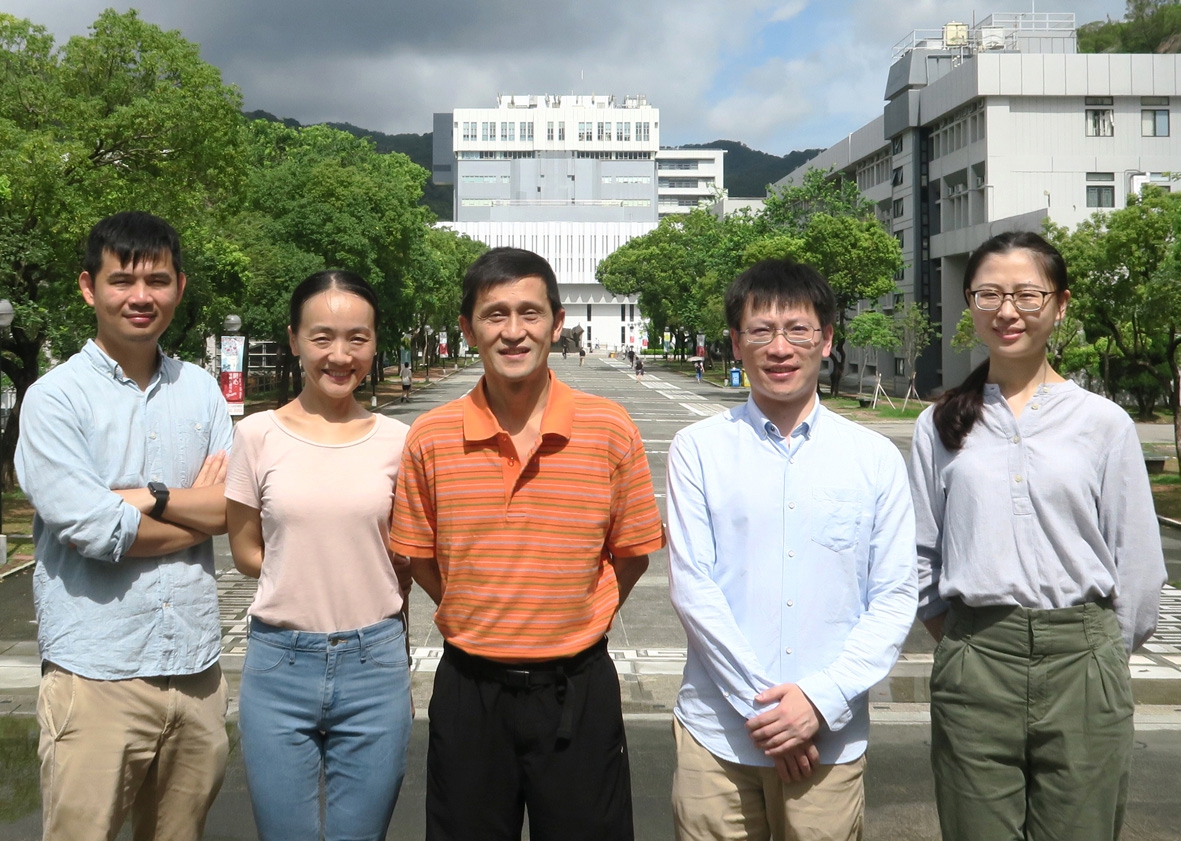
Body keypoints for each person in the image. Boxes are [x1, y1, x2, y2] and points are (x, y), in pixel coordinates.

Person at [391, 246, 666, 841]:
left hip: (578, 689)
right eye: (495, 315)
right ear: (467, 328)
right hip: (470, 690)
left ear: (557, 322)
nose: (513, 332)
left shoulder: (610, 427)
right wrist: (481, 607)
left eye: (530, 313)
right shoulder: (431, 436)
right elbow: (418, 555)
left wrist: (570, 613)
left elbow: (634, 552)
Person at [909, 231, 1166, 841]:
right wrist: (965, 640)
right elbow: (920, 554)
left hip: (1084, 657)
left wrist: (1101, 653)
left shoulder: (1103, 422)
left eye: (1027, 294)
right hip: (977, 658)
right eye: (989, 294)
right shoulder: (939, 423)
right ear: (969, 304)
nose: (1007, 311)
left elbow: (1136, 561)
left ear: (1061, 303)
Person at [667, 258, 917, 841]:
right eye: (760, 331)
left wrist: (818, 703)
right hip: (717, 739)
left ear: (827, 339)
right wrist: (769, 716)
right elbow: (692, 587)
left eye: (797, 330)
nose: (779, 348)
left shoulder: (874, 457)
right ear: (735, 342)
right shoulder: (697, 449)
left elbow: (894, 595)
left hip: (827, 742)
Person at [15, 211, 233, 841]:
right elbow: (95, 531)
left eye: (158, 280)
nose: (141, 296)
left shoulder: (202, 391)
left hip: (196, 675)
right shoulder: (55, 398)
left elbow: (235, 508)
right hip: (95, 676)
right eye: (123, 281)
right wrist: (194, 508)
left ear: (180, 288)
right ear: (89, 287)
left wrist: (146, 498)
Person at [225, 270, 413, 841]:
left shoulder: (400, 441)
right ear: (294, 339)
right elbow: (245, 550)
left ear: (376, 342)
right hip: (278, 665)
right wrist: (311, 570)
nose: (340, 354)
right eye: (322, 336)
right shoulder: (257, 435)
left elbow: (407, 553)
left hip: (374, 664)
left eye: (357, 337)